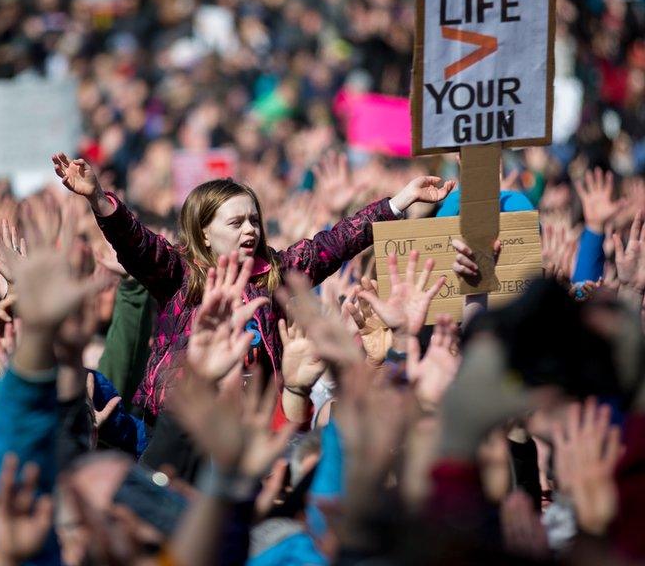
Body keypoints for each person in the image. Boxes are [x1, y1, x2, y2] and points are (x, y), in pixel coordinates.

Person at [51, 152, 455, 420]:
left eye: (254, 220)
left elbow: (337, 241)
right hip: (180, 424)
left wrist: (398, 202)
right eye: (235, 222)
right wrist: (100, 200)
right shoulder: (179, 274)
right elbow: (137, 243)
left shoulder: (275, 272)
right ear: (204, 234)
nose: (249, 229)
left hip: (254, 424)